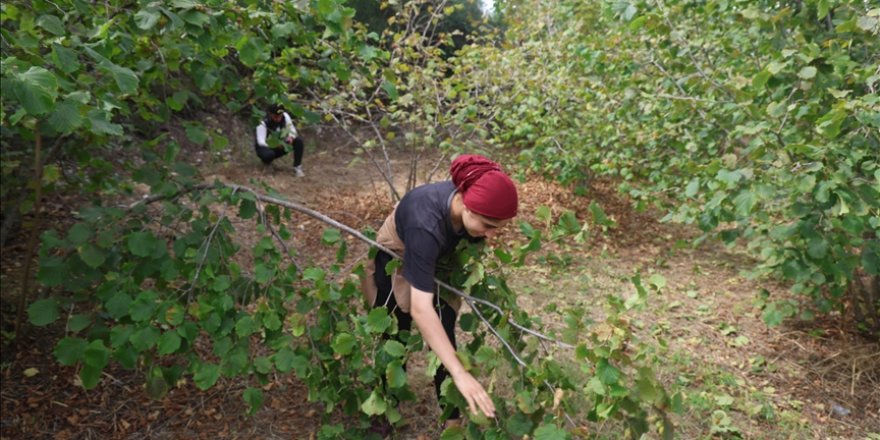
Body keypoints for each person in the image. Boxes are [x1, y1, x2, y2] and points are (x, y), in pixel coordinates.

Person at [362, 154, 518, 432]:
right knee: (394, 333)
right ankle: (385, 408)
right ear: (465, 206)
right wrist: (461, 373)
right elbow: (422, 309)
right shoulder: (426, 225)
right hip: (396, 255)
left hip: (439, 260)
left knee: (444, 335)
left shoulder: (466, 206)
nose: (491, 236)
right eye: (488, 227)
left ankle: (451, 422)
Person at [254, 104, 305, 176]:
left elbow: (292, 130)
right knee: (268, 155)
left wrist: (291, 137)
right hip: (265, 147)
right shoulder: (263, 122)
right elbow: (261, 141)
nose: (278, 119)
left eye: (280, 116)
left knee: (298, 141)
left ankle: (297, 167)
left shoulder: (285, 117)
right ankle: (267, 164)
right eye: (275, 117)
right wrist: (275, 145)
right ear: (270, 114)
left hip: (281, 144)